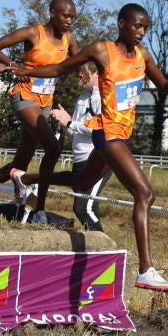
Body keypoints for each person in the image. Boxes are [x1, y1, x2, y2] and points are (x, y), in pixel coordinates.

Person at [0, 3, 168, 292]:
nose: (141, 32)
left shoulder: (143, 56)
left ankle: (25, 178)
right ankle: (146, 270)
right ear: (121, 23)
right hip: (108, 135)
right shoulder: (102, 50)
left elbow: (163, 84)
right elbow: (59, 68)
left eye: (145, 28)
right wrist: (22, 68)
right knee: (145, 194)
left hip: (120, 136)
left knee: (81, 182)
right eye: (136, 25)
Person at [0, 0, 79, 222]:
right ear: (52, 13)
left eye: (73, 17)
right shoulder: (33, 33)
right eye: (65, 15)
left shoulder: (69, 40)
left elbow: (79, 64)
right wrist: (13, 65)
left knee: (20, 163)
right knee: (53, 148)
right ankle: (39, 210)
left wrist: (90, 73)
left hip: (45, 102)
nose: (69, 21)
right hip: (24, 96)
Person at [50, 61, 111, 231]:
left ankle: (106, 249)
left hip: (96, 161)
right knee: (90, 209)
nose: (79, 76)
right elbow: (74, 134)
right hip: (79, 161)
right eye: (78, 72)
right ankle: (96, 250)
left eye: (83, 72)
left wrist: (70, 121)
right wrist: (64, 122)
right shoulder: (81, 99)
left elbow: (99, 129)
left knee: (82, 208)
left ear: (96, 73)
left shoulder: (104, 98)